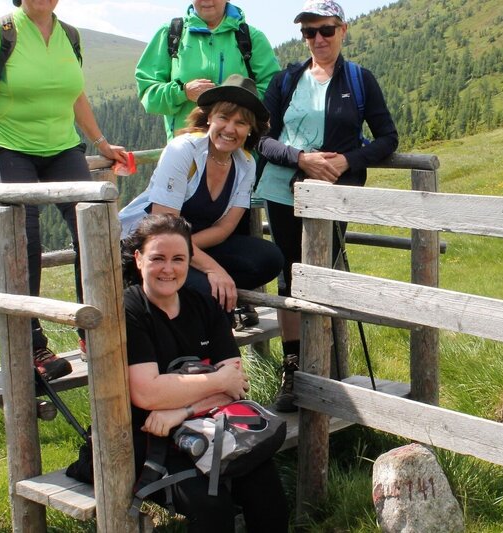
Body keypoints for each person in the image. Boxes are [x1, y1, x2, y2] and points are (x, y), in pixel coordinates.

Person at [0, 0, 128, 381]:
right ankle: (31, 342)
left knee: (93, 232)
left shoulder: (69, 36)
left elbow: (75, 95)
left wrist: (102, 143)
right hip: (7, 148)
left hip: (61, 148)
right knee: (25, 239)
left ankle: (93, 331)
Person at [256, 0, 398, 411]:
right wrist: (301, 159)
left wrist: (348, 160)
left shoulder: (360, 79)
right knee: (290, 274)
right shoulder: (286, 80)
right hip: (284, 189)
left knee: (323, 275)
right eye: (309, 32)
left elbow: (388, 137)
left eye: (326, 30)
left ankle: (325, 368)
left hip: (335, 192)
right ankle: (294, 368)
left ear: (342, 30)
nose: (318, 39)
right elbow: (261, 139)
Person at [123, 213, 288, 532]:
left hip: (210, 423)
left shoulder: (202, 303)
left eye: (178, 259)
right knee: (212, 509)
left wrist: (181, 409)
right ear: (139, 259)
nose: (168, 269)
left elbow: (235, 385)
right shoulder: (130, 310)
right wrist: (214, 380)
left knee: (268, 495)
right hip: (150, 435)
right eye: (157, 258)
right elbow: (146, 393)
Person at [119, 75, 283, 312]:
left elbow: (224, 229)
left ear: (250, 130)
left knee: (269, 259)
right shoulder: (183, 150)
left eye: (241, 122)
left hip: (188, 246)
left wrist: (190, 253)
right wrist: (213, 269)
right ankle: (193, 315)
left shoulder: (246, 163)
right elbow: (163, 225)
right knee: (208, 291)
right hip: (151, 246)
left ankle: (202, 308)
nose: (230, 129)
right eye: (223, 118)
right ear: (209, 119)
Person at [136, 0, 280, 140]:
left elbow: (273, 91)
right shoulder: (170, 33)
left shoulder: (252, 38)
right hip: (186, 155)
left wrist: (232, 102)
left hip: (237, 151)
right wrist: (183, 92)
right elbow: (148, 93)